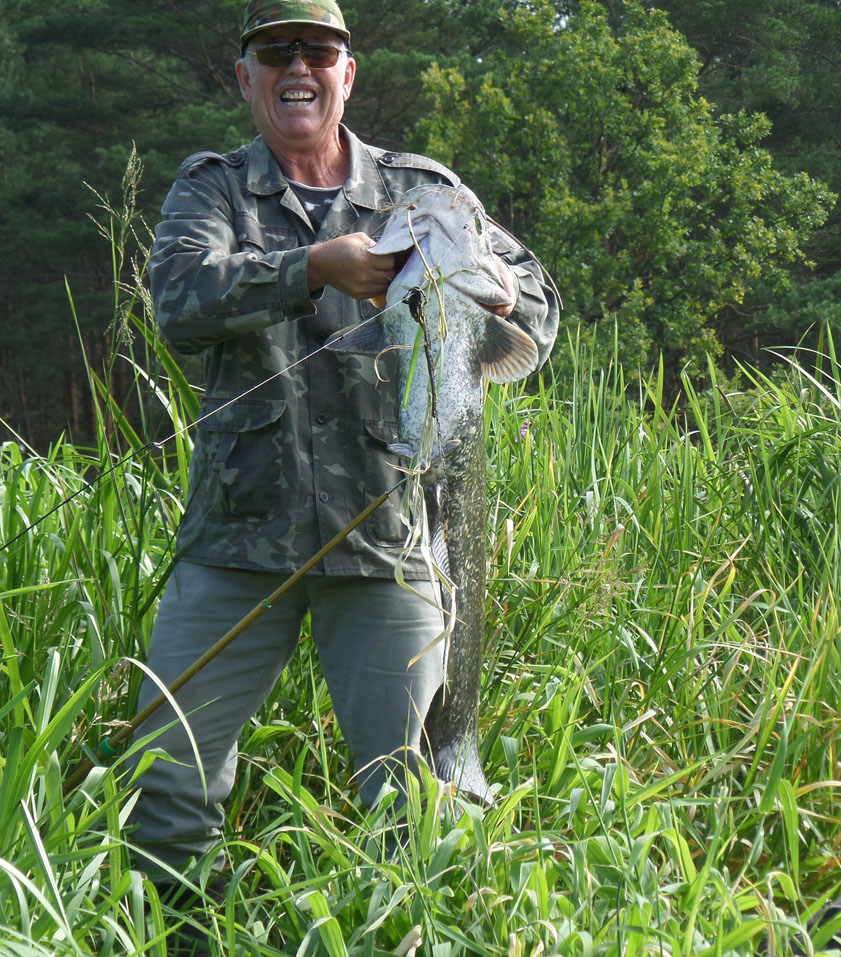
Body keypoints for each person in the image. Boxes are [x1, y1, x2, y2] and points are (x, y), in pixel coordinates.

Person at [127, 0, 559, 896]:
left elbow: (539, 305)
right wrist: (312, 267)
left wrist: (502, 296)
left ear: (346, 73)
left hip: (389, 539)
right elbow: (178, 301)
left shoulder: (424, 191)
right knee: (165, 777)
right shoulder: (211, 189)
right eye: (275, 53)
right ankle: (181, 932)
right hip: (237, 540)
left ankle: (410, 933)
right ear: (244, 77)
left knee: (416, 800)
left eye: (317, 51)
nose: (299, 68)